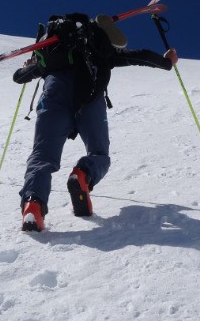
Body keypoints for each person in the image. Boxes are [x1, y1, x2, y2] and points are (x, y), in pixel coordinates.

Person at [12, 12, 178, 232]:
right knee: (99, 153)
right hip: (90, 95)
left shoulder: (53, 56)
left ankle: (33, 204)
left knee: (42, 156)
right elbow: (139, 56)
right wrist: (167, 62)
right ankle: (83, 173)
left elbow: (18, 77)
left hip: (53, 94)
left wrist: (32, 65)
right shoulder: (97, 52)